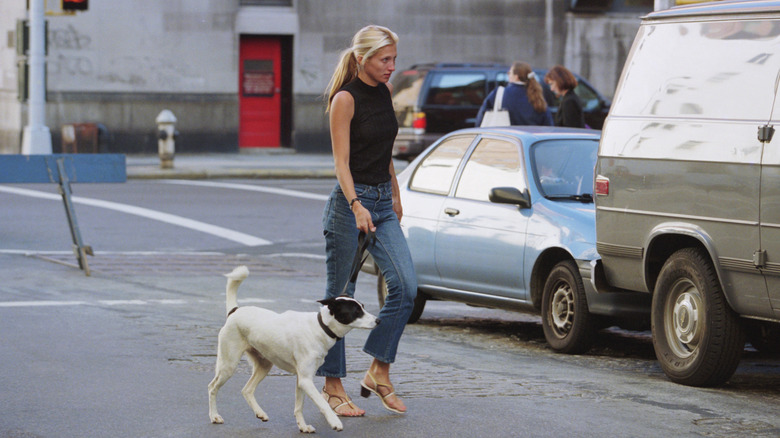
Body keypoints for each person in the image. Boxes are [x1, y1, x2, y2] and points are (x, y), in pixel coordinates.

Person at [318, 24, 417, 417]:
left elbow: (385, 149)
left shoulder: (386, 92)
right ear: (363, 58)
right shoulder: (345, 99)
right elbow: (340, 162)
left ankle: (378, 369)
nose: (392, 66)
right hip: (349, 205)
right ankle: (332, 385)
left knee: (406, 286)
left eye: (393, 58)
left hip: (381, 200)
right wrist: (357, 204)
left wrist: (394, 193)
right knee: (340, 295)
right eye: (385, 59)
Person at [476, 61, 553, 127]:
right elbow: (548, 125)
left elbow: (480, 118)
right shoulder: (537, 96)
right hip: (530, 142)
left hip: (506, 140)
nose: (508, 75)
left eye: (509, 73)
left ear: (516, 77)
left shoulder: (499, 94)